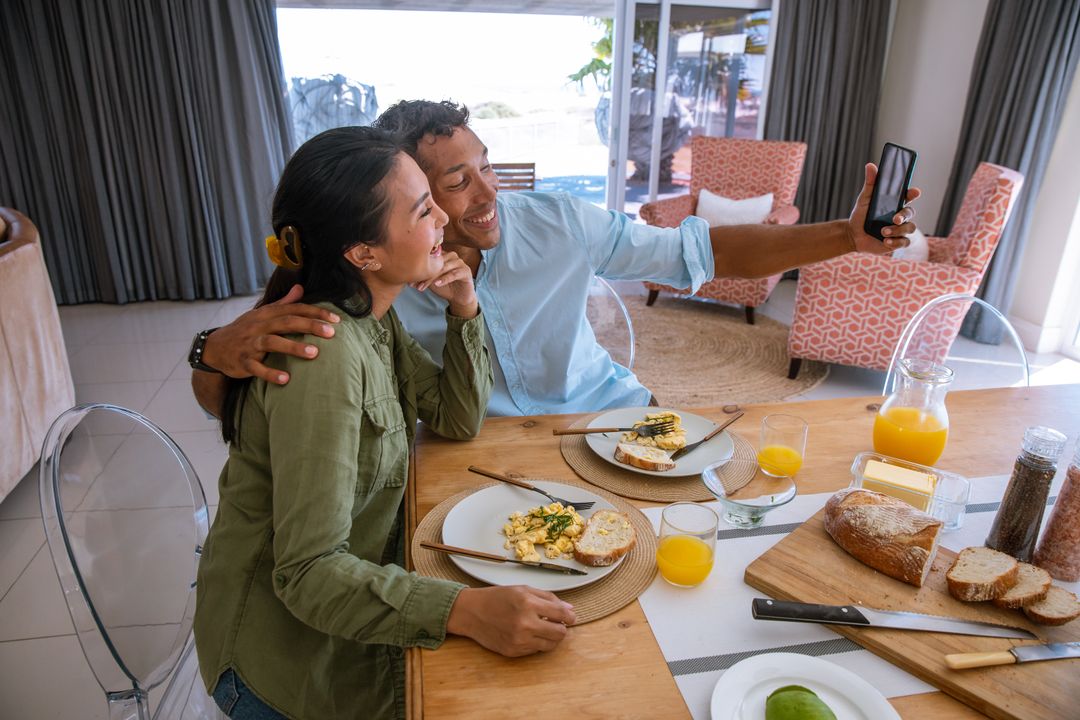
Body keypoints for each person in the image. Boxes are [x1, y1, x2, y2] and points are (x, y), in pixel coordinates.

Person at [189, 101, 920, 417]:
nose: (488, 194)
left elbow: (700, 248)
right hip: (473, 445)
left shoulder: (561, 221)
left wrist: (843, 237)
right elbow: (235, 393)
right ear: (406, 198)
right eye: (453, 183)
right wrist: (213, 350)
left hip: (606, 413)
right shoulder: (378, 272)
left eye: (486, 165)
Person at [193, 126, 576, 720]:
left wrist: (464, 308)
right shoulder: (325, 354)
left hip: (346, 607)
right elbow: (309, 574)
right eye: (425, 209)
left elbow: (455, 418)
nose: (444, 221)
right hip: (287, 667)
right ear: (363, 253)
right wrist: (464, 611)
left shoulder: (372, 317)